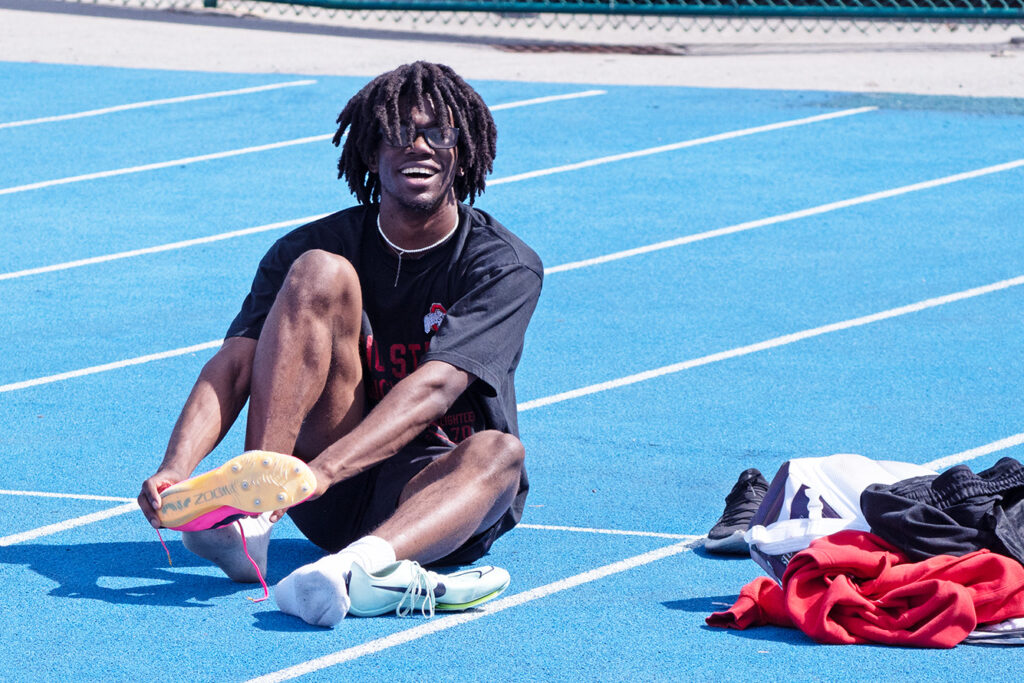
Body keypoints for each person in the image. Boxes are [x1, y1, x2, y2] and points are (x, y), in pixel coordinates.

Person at [137, 61, 543, 626]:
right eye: (398, 133)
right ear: (369, 150)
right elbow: (235, 366)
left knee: (502, 455)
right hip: (315, 493)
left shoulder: (502, 265)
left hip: (431, 498)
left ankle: (352, 569)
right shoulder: (313, 247)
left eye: (438, 132)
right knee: (320, 273)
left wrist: (324, 470)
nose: (418, 146)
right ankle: (255, 521)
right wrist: (176, 468)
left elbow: (435, 388)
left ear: (463, 149)